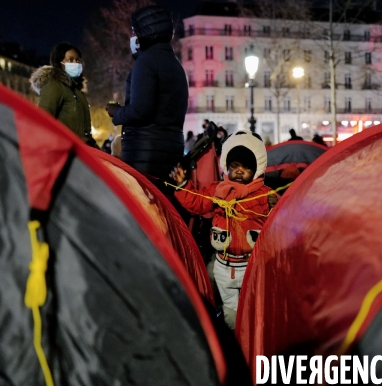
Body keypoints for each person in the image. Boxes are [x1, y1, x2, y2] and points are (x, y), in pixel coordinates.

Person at [170, 130, 278, 329]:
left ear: (256, 170)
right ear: (226, 166)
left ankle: (253, 335)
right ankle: (235, 337)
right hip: (224, 265)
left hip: (251, 265)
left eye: (246, 167)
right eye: (234, 166)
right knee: (230, 309)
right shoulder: (217, 190)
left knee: (254, 305)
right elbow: (197, 202)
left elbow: (278, 223)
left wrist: (274, 206)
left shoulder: (264, 195)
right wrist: (182, 186)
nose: (239, 171)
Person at [106, 5, 187, 186]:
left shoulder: (146, 62)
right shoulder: (175, 65)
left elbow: (141, 110)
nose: (133, 36)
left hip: (145, 153)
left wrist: (117, 112)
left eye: (135, 31)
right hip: (170, 150)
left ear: (146, 31)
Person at [30, 42, 96, 146]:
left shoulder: (76, 89)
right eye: (70, 60)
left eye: (77, 60)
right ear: (59, 62)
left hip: (83, 149)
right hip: (66, 150)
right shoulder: (54, 85)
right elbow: (43, 119)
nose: (75, 63)